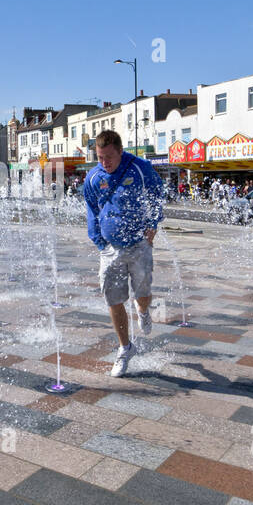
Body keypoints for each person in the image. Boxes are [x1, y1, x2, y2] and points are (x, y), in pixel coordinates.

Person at [82, 131, 164, 377]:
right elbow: (91, 207)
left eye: (108, 157)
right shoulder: (94, 176)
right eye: (99, 157)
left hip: (139, 244)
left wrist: (153, 223)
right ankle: (125, 348)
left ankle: (143, 311)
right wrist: (98, 240)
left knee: (143, 293)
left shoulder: (140, 168)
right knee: (113, 299)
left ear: (120, 151)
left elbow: (157, 195)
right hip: (110, 249)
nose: (104, 163)